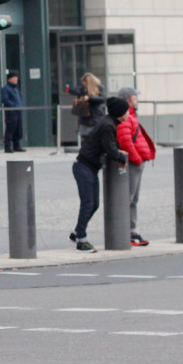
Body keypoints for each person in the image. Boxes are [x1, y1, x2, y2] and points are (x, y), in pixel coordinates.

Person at [69, 96, 129, 253]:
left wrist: (117, 150)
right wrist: (122, 157)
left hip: (88, 167)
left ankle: (77, 232)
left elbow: (108, 143)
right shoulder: (108, 125)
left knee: (94, 204)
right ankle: (81, 241)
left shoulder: (108, 122)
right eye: (126, 110)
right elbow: (109, 149)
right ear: (119, 113)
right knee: (88, 203)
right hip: (84, 167)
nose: (128, 113)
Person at [115, 86, 156, 247]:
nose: (136, 99)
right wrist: (137, 159)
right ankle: (125, 231)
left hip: (138, 162)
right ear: (128, 99)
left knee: (133, 199)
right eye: (134, 96)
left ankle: (132, 231)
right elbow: (126, 141)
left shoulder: (131, 115)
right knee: (128, 198)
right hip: (133, 163)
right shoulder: (125, 117)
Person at [67, 72, 106, 141]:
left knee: (95, 137)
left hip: (95, 116)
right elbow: (78, 93)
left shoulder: (99, 88)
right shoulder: (83, 89)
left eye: (85, 83)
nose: (84, 85)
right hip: (84, 116)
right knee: (85, 138)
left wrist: (89, 98)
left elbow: (102, 98)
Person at [0, 72, 24, 153]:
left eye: (16, 78)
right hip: (11, 112)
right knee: (10, 129)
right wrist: (13, 106)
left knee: (18, 129)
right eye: (13, 78)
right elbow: (5, 100)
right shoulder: (6, 89)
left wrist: (20, 106)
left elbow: (19, 99)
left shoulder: (16, 89)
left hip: (18, 112)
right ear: (9, 79)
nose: (15, 79)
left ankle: (17, 146)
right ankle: (8, 147)